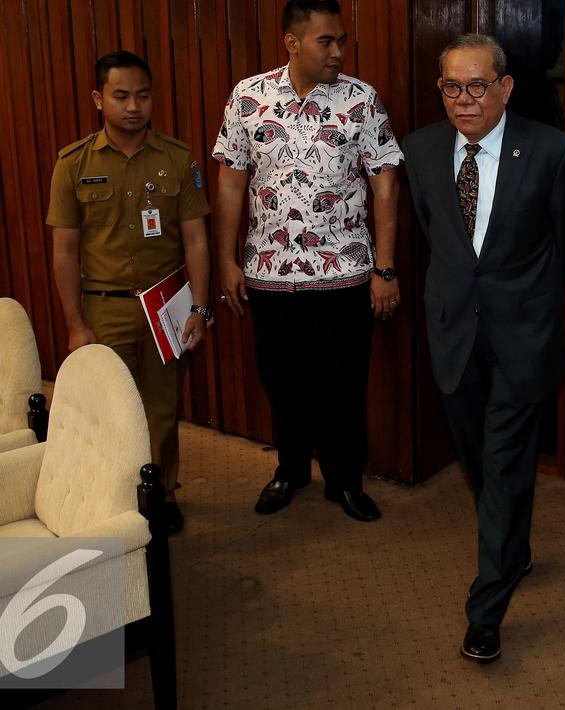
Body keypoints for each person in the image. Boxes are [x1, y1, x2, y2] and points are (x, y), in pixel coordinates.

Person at [401, 33, 565, 665]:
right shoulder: (420, 149)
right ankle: (514, 547)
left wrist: (528, 304)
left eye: (477, 86)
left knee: (504, 465)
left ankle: (487, 609)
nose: (463, 100)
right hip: (454, 330)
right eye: (451, 86)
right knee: (480, 462)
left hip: (522, 334)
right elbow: (435, 234)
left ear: (505, 88)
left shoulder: (555, 152)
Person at [211, 0, 402, 522]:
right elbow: (231, 181)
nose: (339, 51)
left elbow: (385, 182)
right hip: (269, 275)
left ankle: (344, 481)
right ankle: (291, 469)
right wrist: (226, 261)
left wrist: (385, 268)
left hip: (344, 274)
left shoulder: (361, 100)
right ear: (292, 43)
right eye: (326, 41)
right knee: (281, 377)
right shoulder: (248, 98)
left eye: (341, 40)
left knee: (343, 381)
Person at [47, 50, 212, 535]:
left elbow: (197, 238)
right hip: (104, 309)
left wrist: (200, 307)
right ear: (99, 99)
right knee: (106, 415)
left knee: (161, 409)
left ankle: (161, 494)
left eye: (142, 95)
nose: (133, 106)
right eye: (121, 96)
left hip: (164, 307)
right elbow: (64, 252)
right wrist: (75, 325)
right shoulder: (73, 164)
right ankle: (111, 501)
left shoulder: (177, 160)